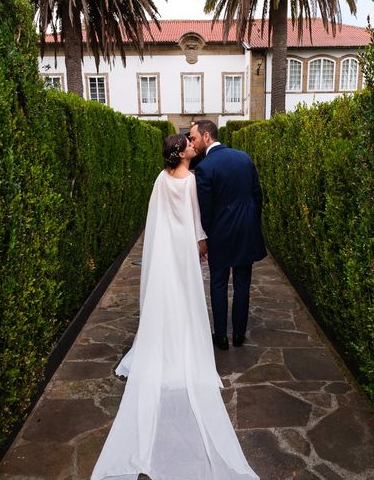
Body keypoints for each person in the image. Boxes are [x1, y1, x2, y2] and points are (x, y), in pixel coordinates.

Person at [92, 134, 258, 480]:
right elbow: (197, 220)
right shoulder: (192, 180)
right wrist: (201, 244)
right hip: (183, 248)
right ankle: (185, 343)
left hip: (167, 248)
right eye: (187, 144)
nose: (192, 146)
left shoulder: (160, 178)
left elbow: (155, 220)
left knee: (165, 297)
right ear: (180, 152)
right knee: (187, 296)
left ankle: (162, 342)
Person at [188, 120, 266, 350]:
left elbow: (206, 209)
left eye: (193, 137)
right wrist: (250, 221)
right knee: (243, 284)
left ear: (207, 136)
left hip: (220, 235)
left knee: (219, 284)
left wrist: (207, 236)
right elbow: (257, 195)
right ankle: (239, 335)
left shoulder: (205, 167)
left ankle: (221, 336)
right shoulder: (244, 158)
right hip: (246, 231)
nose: (192, 142)